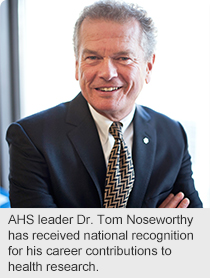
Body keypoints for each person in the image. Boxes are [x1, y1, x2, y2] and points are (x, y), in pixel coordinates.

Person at [6, 1, 202, 208]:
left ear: (149, 66)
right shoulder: (32, 137)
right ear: (77, 65)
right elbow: (39, 237)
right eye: (92, 57)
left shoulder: (172, 134)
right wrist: (152, 230)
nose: (107, 73)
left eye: (123, 58)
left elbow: (197, 232)